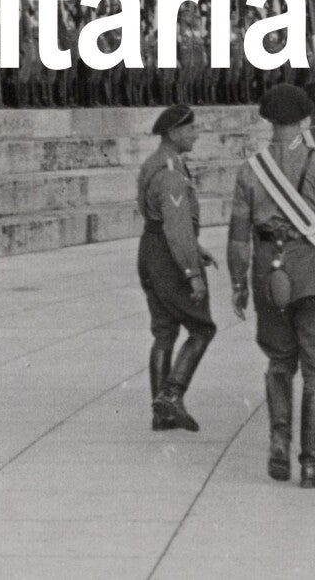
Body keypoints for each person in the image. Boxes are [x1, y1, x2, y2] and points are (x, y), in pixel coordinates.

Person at [227, 82, 315, 488]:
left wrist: (238, 283)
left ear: (269, 120)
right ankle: (312, 463)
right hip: (314, 271)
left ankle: (279, 444)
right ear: (304, 120)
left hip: (268, 272)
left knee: (279, 361)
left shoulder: (251, 169)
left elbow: (238, 237)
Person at [136, 104, 216, 432]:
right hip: (168, 257)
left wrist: (195, 247)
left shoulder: (155, 162)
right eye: (191, 129)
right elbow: (176, 227)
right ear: (173, 133)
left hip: (151, 248)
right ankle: (171, 394)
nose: (196, 134)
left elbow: (163, 219)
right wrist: (192, 273)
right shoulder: (171, 173)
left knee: (165, 330)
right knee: (202, 328)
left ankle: (162, 414)